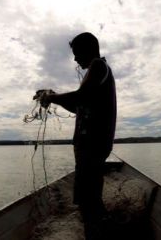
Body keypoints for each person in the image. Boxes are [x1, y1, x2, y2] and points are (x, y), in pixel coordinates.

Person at [39, 32, 117, 239]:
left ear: (88, 49)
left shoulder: (98, 66)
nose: (75, 59)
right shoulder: (97, 71)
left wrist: (51, 97)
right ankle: (105, 232)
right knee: (90, 199)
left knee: (87, 202)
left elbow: (80, 97)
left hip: (92, 145)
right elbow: (78, 105)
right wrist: (54, 96)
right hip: (92, 146)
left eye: (76, 53)